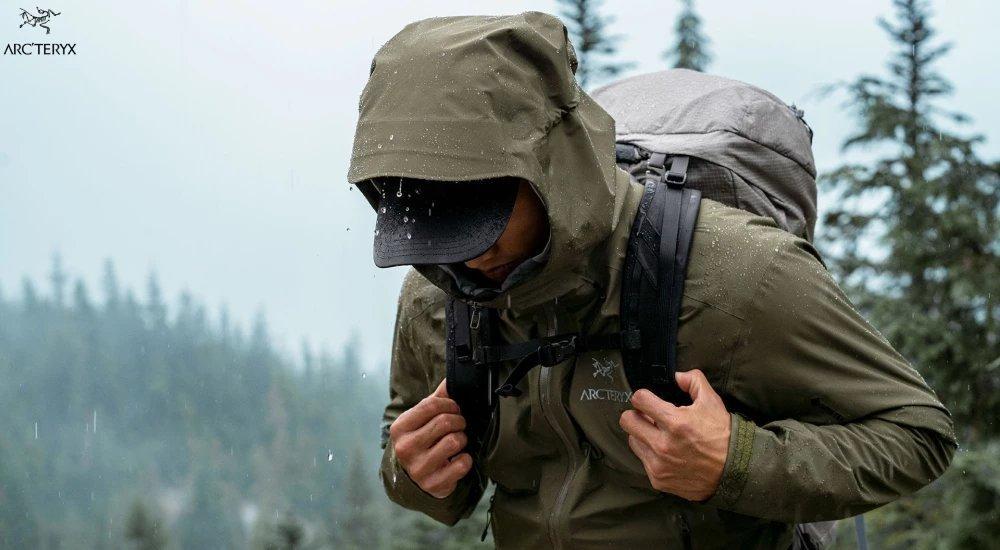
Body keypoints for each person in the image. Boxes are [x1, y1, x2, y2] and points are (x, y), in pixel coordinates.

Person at [347, 12, 956, 549]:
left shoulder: (736, 276)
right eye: (437, 229)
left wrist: (737, 464)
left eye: (481, 221)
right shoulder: (439, 294)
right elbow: (407, 433)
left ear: (550, 166)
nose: (470, 260)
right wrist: (415, 475)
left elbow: (917, 433)